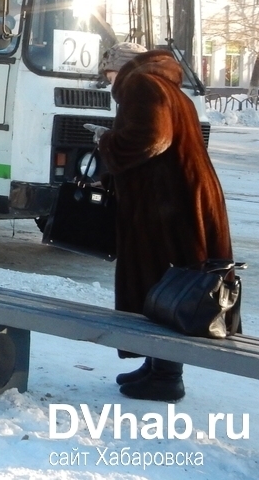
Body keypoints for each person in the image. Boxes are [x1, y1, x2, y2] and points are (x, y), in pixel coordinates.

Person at [94, 48, 235, 402]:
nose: (107, 81)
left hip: (167, 205)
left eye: (106, 73)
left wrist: (107, 142)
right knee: (168, 283)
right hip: (178, 198)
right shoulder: (165, 85)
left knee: (166, 284)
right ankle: (157, 366)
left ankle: (167, 375)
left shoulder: (141, 84)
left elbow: (152, 138)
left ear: (117, 69)